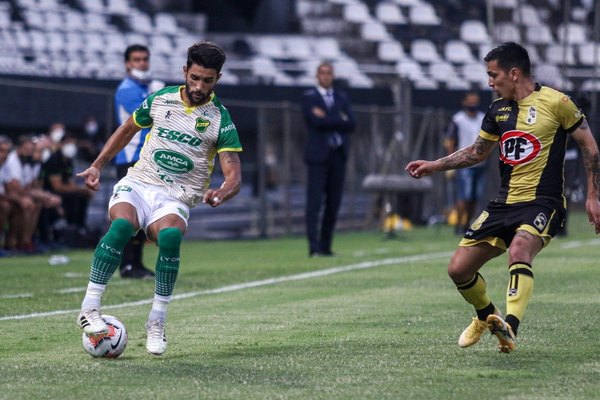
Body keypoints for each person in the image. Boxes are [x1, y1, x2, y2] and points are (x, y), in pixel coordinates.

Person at [406, 42, 600, 353]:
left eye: (492, 75)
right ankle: (487, 316)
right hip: (502, 204)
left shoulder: (557, 102)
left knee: (520, 249)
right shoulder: (498, 109)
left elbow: (590, 147)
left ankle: (510, 326)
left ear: (514, 73)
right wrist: (434, 166)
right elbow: (476, 153)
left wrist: (593, 196)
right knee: (458, 269)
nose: (489, 82)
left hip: (542, 203)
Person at [76, 41, 243, 356]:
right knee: (122, 228)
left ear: (217, 79)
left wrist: (221, 191)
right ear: (185, 71)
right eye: (194, 77)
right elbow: (126, 130)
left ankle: (156, 321)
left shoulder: (220, 119)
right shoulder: (160, 99)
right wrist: (98, 165)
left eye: (207, 80)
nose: (199, 86)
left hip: (175, 196)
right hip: (140, 182)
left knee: (169, 238)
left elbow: (233, 173)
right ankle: (89, 307)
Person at [113, 44, 164, 279]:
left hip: (145, 159)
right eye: (136, 59)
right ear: (127, 64)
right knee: (130, 214)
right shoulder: (127, 90)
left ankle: (136, 263)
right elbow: (149, 117)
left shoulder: (145, 89)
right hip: (130, 158)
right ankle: (127, 264)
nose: (142, 63)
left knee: (144, 213)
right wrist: (159, 98)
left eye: (145, 59)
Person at [301, 62, 355, 257]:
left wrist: (329, 118)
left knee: (333, 204)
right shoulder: (309, 98)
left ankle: (326, 246)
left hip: (337, 155)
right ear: (317, 76)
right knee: (314, 203)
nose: (326, 76)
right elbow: (315, 121)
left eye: (329, 73)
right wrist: (338, 119)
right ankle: (314, 248)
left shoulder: (341, 97)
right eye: (322, 73)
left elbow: (351, 123)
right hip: (318, 156)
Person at [443, 91, 487, 235]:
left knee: (475, 197)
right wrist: (450, 163)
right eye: (470, 101)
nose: (473, 104)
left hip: (480, 163)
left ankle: (467, 224)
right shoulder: (458, 119)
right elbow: (451, 142)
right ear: (464, 102)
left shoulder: (482, 118)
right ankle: (459, 223)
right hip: (464, 162)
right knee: (465, 196)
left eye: (475, 101)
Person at [41, 134, 94, 231]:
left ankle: (80, 228)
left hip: (64, 191)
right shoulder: (54, 160)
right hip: (50, 191)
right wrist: (79, 189)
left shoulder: (68, 161)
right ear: (61, 144)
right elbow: (57, 187)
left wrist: (81, 190)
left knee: (83, 195)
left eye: (73, 144)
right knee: (75, 197)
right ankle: (71, 229)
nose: (71, 146)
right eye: (68, 143)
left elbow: (70, 181)